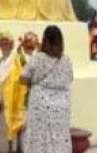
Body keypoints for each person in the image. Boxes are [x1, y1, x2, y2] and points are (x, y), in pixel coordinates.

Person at [19, 25, 74, 153]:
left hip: (40, 107)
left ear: (45, 40)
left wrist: (34, 82)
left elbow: (23, 78)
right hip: (62, 107)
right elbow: (70, 78)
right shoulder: (66, 60)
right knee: (59, 139)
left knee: (39, 140)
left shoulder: (38, 58)